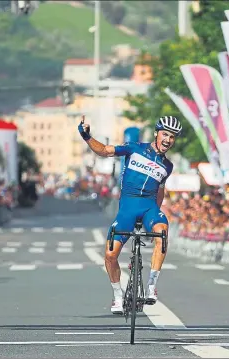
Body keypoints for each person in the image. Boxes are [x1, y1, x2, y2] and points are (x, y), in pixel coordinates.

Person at [78, 115, 182, 314]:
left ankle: (152, 286)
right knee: (110, 254)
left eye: (172, 137)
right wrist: (86, 136)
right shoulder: (135, 148)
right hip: (127, 209)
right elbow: (105, 151)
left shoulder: (167, 166)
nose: (168, 140)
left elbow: (160, 192)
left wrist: (153, 219)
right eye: (165, 134)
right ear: (156, 133)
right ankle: (118, 296)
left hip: (149, 208)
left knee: (162, 232)